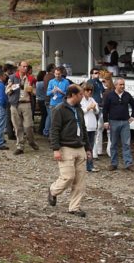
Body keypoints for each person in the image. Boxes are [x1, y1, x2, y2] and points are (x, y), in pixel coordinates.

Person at [46, 84, 88, 217]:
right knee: (68, 177)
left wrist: (88, 148)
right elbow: (54, 130)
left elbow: (83, 128)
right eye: (81, 94)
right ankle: (53, 190)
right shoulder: (59, 109)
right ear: (73, 95)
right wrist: (56, 149)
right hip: (66, 147)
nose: (83, 96)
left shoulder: (79, 110)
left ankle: (74, 207)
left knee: (80, 180)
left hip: (80, 147)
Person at [101, 78, 134, 171]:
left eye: (123, 84)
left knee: (126, 143)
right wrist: (105, 121)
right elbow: (105, 109)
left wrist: (133, 116)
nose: (122, 86)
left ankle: (128, 164)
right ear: (115, 85)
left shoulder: (127, 95)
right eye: (120, 84)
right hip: (113, 122)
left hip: (125, 122)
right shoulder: (110, 95)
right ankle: (113, 163)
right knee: (113, 144)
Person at [7, 60, 38, 154]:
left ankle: (31, 141)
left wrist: (32, 90)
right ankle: (20, 146)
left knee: (28, 126)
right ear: (19, 67)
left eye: (26, 67)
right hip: (15, 104)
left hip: (26, 103)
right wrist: (11, 88)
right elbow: (7, 91)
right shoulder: (12, 77)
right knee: (17, 127)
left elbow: (36, 92)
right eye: (23, 66)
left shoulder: (31, 78)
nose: (25, 68)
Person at [44, 66, 70, 137]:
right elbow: (47, 93)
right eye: (56, 74)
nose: (57, 76)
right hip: (53, 104)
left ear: (61, 74)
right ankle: (52, 137)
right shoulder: (51, 82)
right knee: (53, 121)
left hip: (62, 104)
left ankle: (61, 137)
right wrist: (53, 91)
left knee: (62, 121)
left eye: (58, 74)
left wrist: (61, 92)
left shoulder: (66, 82)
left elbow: (68, 94)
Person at [87, 68, 107, 158]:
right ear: (91, 74)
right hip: (94, 105)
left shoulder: (99, 83)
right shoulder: (90, 82)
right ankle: (94, 151)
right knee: (95, 128)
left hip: (100, 105)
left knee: (100, 128)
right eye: (95, 73)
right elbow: (90, 91)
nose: (97, 74)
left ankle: (99, 150)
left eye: (98, 73)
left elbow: (103, 91)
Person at [79, 85, 99, 172]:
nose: (89, 92)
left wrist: (94, 108)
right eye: (87, 90)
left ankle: (90, 166)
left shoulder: (92, 99)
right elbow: (80, 112)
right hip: (85, 126)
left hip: (92, 125)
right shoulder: (81, 100)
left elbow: (97, 111)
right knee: (84, 147)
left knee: (90, 147)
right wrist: (88, 108)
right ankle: (83, 166)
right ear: (83, 91)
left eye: (91, 90)